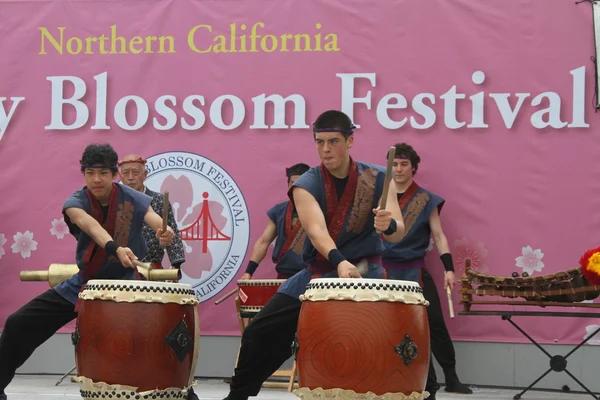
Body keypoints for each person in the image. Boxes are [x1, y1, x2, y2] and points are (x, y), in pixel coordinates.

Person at [222, 110, 405, 400]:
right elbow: (316, 229)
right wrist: (339, 261)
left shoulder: (380, 178)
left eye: (333, 141)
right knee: (260, 332)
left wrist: (389, 224)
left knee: (386, 339)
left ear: (350, 140)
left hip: (365, 273)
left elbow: (398, 231)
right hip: (319, 272)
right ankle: (237, 396)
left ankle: (422, 390)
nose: (325, 149)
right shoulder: (306, 183)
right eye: (319, 142)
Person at [0, 143, 186, 400]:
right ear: (84, 174)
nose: (96, 179)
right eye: (90, 173)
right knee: (18, 323)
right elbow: (90, 225)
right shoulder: (75, 202)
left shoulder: (133, 198)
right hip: (85, 285)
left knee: (155, 340)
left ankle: (183, 395)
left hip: (128, 287)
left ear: (113, 175)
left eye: (103, 173)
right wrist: (115, 248)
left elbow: (155, 219)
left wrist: (165, 233)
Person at [381, 142, 472, 399]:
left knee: (434, 326)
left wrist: (449, 270)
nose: (398, 169)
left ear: (413, 168)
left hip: (414, 272)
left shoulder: (426, 199)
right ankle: (415, 382)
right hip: (383, 274)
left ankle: (451, 378)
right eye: (395, 164)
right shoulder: (379, 195)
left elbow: (439, 236)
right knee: (388, 328)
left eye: (404, 164)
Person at [240, 163, 310, 280]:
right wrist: (248, 272)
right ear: (288, 185)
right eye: (293, 184)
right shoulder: (279, 211)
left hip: (312, 275)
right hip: (284, 275)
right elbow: (264, 242)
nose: (297, 188)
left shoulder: (321, 210)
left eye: (303, 184)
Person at [118, 154, 185, 270]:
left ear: (145, 175)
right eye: (125, 173)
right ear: (120, 176)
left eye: (135, 172)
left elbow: (171, 231)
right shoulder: (114, 201)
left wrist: (176, 265)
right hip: (119, 269)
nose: (130, 177)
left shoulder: (159, 200)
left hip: (152, 269)